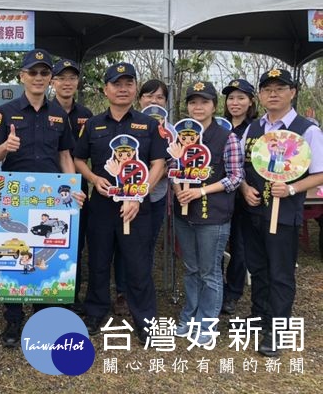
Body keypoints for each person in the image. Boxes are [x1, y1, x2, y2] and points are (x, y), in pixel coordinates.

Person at [0, 48, 80, 348]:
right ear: (21, 76)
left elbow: (65, 155)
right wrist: (6, 148)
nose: (38, 78)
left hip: (50, 198)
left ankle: (42, 317)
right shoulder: (6, 111)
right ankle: (13, 320)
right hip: (15, 198)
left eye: (44, 73)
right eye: (33, 72)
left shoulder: (58, 115)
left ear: (49, 79)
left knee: (45, 255)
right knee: (15, 252)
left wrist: (73, 188)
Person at [73, 62, 166, 342]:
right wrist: (92, 178)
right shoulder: (92, 124)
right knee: (99, 261)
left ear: (135, 89)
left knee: (138, 264)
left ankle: (145, 319)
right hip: (102, 205)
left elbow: (158, 163)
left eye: (128, 83)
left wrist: (138, 194)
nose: (122, 88)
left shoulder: (150, 125)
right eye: (116, 83)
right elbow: (78, 159)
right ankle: (95, 311)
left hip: (138, 208)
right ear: (106, 89)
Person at [241, 68, 323, 356]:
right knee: (258, 268)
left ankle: (278, 329)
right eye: (267, 89)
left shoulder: (307, 129)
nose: (273, 94)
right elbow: (241, 168)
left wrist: (291, 188)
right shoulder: (253, 128)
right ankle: (260, 317)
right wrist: (243, 188)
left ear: (293, 92)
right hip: (253, 213)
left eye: (280, 88)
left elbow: (320, 173)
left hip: (284, 213)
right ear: (260, 95)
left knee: (280, 272)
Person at [172, 81, 243, 347]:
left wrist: (201, 192)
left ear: (214, 105)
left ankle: (206, 322)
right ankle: (189, 316)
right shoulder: (181, 136)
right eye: (193, 102)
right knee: (190, 269)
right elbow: (173, 168)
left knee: (209, 271)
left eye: (204, 102)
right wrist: (179, 189)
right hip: (184, 214)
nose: (198, 107)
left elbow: (236, 177)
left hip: (213, 215)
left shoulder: (228, 137)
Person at [113, 79, 170, 316]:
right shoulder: (130, 123)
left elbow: (171, 164)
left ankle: (141, 293)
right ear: (140, 98)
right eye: (149, 96)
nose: (153, 101)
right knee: (123, 245)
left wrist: (144, 187)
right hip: (123, 197)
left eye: (159, 97)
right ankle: (122, 292)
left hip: (154, 197)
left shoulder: (172, 129)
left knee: (145, 246)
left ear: (166, 102)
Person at [50, 59, 93, 311]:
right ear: (52, 82)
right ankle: (44, 292)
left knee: (73, 243)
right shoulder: (43, 109)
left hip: (77, 190)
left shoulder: (86, 116)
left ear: (77, 82)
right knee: (48, 241)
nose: (67, 83)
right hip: (44, 190)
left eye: (72, 78)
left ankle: (71, 294)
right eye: (61, 78)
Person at [220, 79, 257, 316]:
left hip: (244, 197)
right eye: (231, 98)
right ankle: (217, 289)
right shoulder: (217, 126)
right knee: (214, 246)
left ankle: (232, 293)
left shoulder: (255, 129)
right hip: (217, 196)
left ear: (251, 101)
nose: (235, 103)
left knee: (239, 246)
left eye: (241, 98)